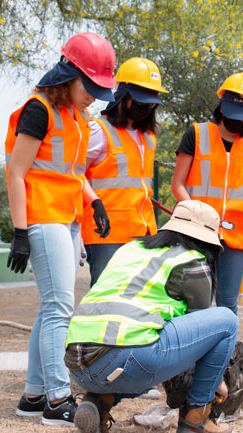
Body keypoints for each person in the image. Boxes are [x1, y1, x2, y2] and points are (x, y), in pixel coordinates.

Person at [5, 32, 116, 426]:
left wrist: (94, 200)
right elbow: (17, 173)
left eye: (101, 88)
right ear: (67, 75)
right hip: (41, 216)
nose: (95, 95)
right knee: (59, 310)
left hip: (66, 216)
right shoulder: (38, 111)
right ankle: (56, 399)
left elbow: (72, 171)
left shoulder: (78, 116)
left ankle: (34, 396)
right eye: (90, 86)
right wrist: (21, 232)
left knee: (50, 309)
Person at [65, 200, 237, 433]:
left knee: (143, 345)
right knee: (227, 321)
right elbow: (199, 344)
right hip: (125, 359)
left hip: (77, 365)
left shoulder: (129, 248)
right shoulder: (193, 263)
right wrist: (216, 381)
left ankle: (98, 401)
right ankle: (196, 416)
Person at [172, 73, 243, 314]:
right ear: (222, 106)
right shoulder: (197, 134)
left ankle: (225, 352)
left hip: (235, 238)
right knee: (196, 304)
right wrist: (194, 215)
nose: (240, 123)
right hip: (197, 234)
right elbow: (178, 183)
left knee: (228, 305)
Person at [82, 57, 167, 288]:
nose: (147, 107)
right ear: (123, 96)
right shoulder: (99, 130)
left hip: (143, 234)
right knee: (104, 294)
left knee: (133, 297)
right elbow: (75, 173)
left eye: (151, 103)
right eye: (141, 100)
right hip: (106, 233)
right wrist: (94, 203)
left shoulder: (148, 138)